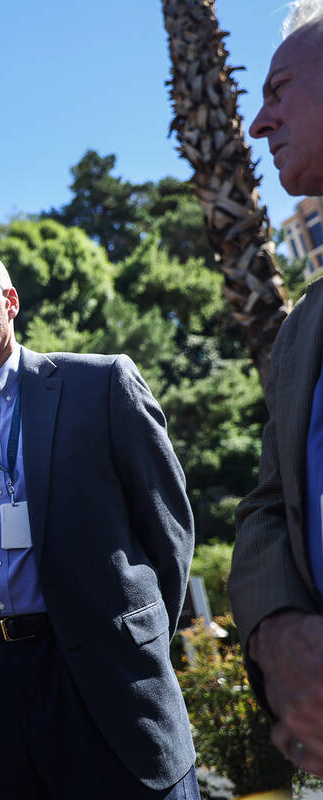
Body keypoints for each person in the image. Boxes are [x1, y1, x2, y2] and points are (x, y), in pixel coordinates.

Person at [0, 247, 198, 799]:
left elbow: (167, 525)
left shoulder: (101, 385)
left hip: (100, 675)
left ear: (9, 301)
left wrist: (133, 636)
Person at [230, 0, 323, 778]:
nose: (257, 125)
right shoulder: (302, 329)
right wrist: (278, 632)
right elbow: (266, 507)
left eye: (278, 90)